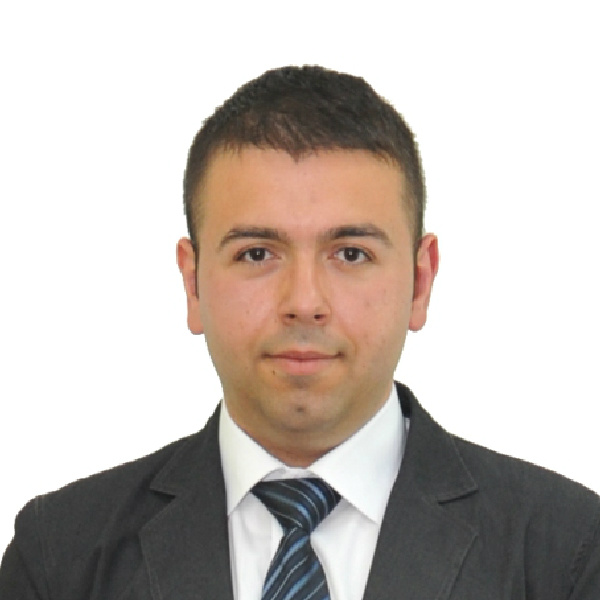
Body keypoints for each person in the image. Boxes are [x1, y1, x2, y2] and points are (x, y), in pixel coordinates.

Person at [0, 65, 598, 600]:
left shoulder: (567, 553)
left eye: (351, 253)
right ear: (193, 284)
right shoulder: (60, 558)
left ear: (420, 282)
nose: (305, 303)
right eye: (257, 253)